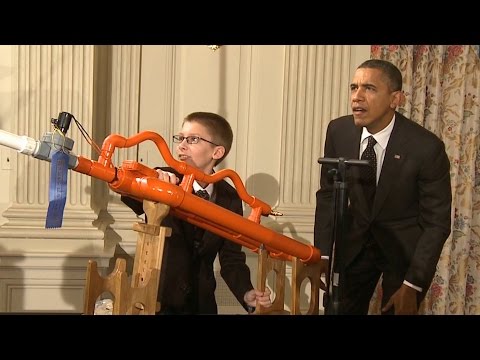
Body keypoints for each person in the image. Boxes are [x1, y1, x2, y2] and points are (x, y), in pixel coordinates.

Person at [314, 59, 452, 315]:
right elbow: (328, 195)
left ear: (395, 99)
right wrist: (321, 254)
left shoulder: (426, 147)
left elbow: (437, 223)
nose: (357, 97)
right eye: (353, 87)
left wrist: (414, 283)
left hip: (403, 254)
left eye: (369, 88)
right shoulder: (338, 131)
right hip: (353, 248)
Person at [121, 111, 272, 314]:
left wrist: (246, 293)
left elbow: (231, 257)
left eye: (192, 139)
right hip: (155, 302)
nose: (181, 146)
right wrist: (150, 184)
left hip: (202, 304)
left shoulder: (230, 197)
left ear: (217, 152)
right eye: (180, 138)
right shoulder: (163, 178)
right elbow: (127, 192)